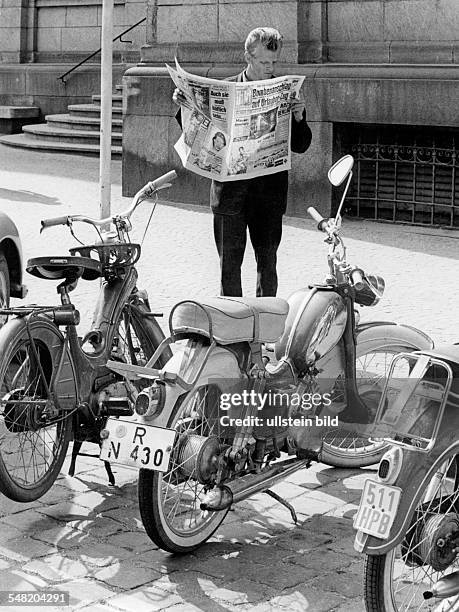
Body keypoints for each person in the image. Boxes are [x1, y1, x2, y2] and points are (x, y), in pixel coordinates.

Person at [173, 27, 312, 297]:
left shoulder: (285, 91)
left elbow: (301, 145)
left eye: (273, 62)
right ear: (248, 56)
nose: (269, 68)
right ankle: (232, 334)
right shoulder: (225, 89)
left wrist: (299, 118)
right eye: (263, 62)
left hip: (268, 198)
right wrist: (184, 106)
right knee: (229, 269)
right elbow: (198, 136)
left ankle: (265, 327)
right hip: (230, 197)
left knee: (268, 267)